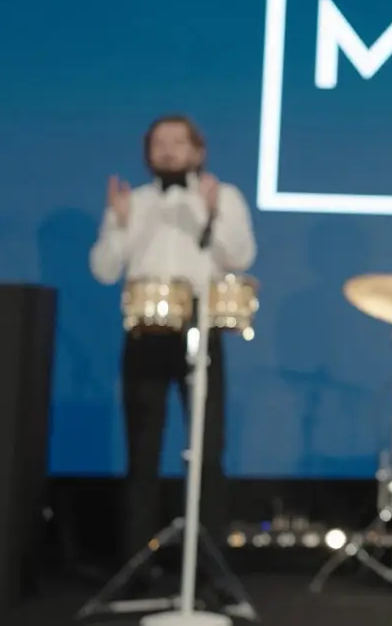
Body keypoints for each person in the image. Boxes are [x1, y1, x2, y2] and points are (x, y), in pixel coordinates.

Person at [89, 115, 257, 560]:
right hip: (145, 334)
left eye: (178, 142)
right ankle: (135, 564)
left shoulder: (223, 196)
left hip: (201, 331)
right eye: (159, 143)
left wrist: (211, 213)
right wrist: (122, 224)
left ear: (197, 151)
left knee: (207, 450)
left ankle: (206, 566)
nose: (167, 150)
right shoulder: (134, 202)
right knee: (141, 452)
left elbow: (240, 256)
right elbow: (104, 270)